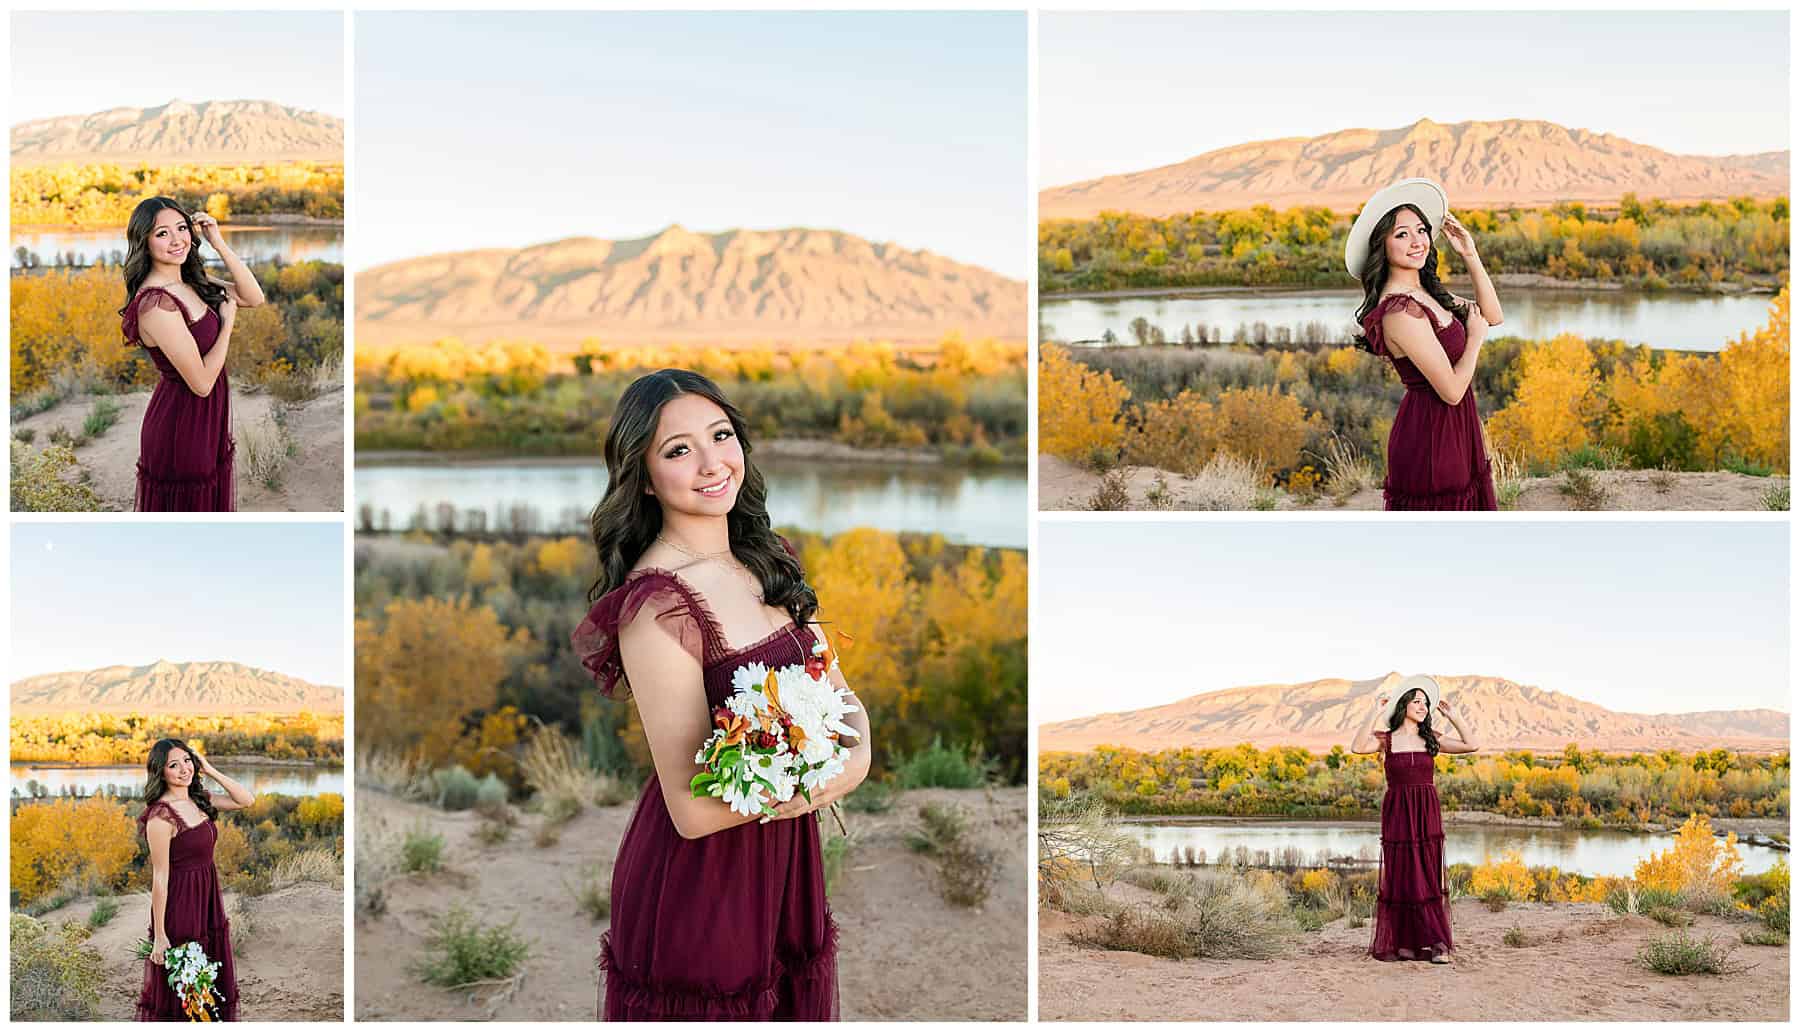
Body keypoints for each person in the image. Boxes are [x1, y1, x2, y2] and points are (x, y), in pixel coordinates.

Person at [572, 368, 872, 1019]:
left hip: (787, 857)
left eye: (721, 435)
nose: (712, 464)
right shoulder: (657, 607)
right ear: (644, 476)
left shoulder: (770, 557)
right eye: (679, 449)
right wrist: (810, 785)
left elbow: (838, 688)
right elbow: (690, 809)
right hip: (704, 882)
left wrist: (857, 758)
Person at [1347, 179, 1505, 509]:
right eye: (1402, 234)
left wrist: (1470, 254)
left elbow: (1492, 315)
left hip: (1457, 428)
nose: (1418, 241)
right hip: (1431, 437)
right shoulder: (1399, 311)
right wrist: (1474, 340)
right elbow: (1450, 390)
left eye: (1421, 230)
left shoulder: (1426, 295)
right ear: (1382, 245)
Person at [118, 197, 265, 511]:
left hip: (206, 420)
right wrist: (227, 325)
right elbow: (200, 383)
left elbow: (253, 297)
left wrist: (218, 243)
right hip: (181, 427)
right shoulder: (157, 303)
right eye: (162, 233)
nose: (176, 240)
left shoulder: (188, 282)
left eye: (182, 228)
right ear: (143, 242)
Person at [1350, 675, 1480, 962]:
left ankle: (1436, 944)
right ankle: (1405, 942)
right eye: (1417, 701)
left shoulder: (1431, 738)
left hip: (1425, 810)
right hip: (1397, 810)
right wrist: (1374, 712)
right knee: (1402, 875)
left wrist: (1456, 717)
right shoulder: (1387, 739)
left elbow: (1472, 744)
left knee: (1427, 874)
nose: (1423, 706)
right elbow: (1357, 747)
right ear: (1403, 705)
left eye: (1426, 702)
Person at [137, 738, 256, 1019]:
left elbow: (246, 800)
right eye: (173, 765)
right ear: (160, 772)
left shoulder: (199, 799)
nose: (183, 770)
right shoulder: (161, 817)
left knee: (207, 984)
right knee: (187, 989)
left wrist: (210, 769)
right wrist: (161, 935)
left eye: (187, 761)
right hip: (181, 907)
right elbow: (160, 878)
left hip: (207, 901)